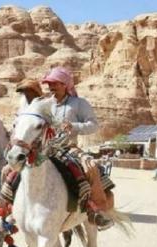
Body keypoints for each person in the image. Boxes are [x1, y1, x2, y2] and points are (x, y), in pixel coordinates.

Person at [40, 66, 114, 228]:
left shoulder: (79, 104)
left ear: (65, 85)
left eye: (55, 84)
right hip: (44, 149)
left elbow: (94, 125)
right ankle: (7, 204)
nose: (51, 87)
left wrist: (74, 126)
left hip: (68, 148)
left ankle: (97, 211)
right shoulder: (44, 104)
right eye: (49, 84)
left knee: (91, 166)